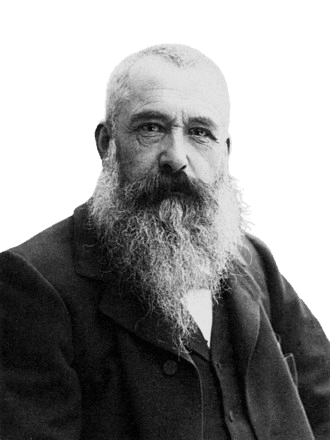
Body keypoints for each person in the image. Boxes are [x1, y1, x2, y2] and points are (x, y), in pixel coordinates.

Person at [0, 43, 329, 440]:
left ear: (225, 152)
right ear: (107, 143)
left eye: (199, 133)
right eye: (151, 128)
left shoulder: (254, 259)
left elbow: (322, 403)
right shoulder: (32, 283)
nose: (176, 156)